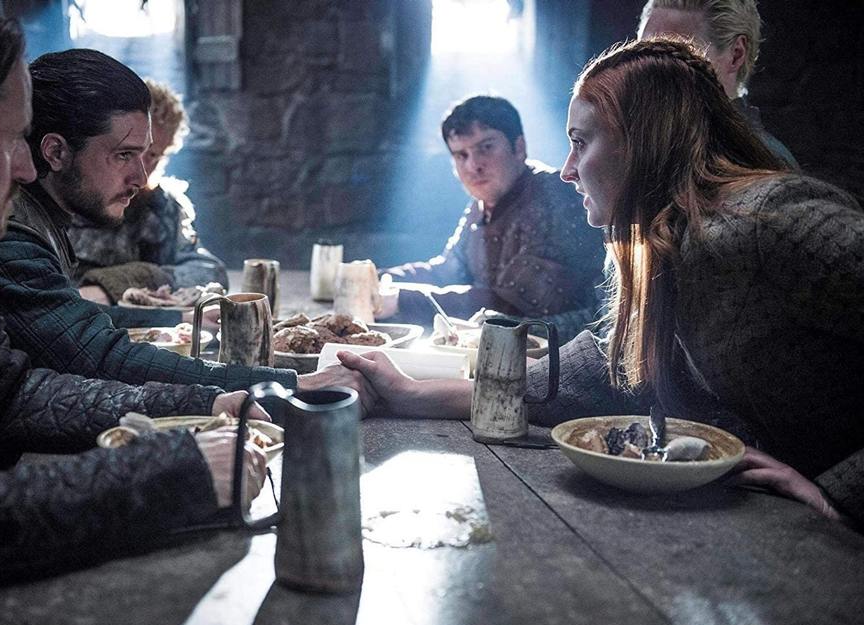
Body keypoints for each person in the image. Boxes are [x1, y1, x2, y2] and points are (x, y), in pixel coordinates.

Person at [339, 39, 864, 528]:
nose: (567, 170)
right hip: (768, 527)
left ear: (644, 142)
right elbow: (591, 373)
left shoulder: (769, 220)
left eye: (580, 142)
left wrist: (837, 495)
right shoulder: (659, 247)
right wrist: (407, 392)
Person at [0, 0, 267, 603]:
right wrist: (174, 473)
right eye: (11, 140)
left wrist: (205, 400)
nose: (25, 170)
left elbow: (15, 394)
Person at [0, 48, 367, 404]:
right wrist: (290, 386)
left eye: (149, 156)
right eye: (124, 155)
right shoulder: (7, 229)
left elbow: (75, 319)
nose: (141, 177)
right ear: (55, 151)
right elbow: (98, 355)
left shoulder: (47, 213)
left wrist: (177, 319)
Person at [379, 95, 606, 329]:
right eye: (461, 155)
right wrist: (377, 278)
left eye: (486, 147)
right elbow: (448, 271)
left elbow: (511, 304)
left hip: (560, 342)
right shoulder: (481, 206)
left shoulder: (557, 196)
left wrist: (400, 301)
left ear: (519, 147)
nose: (473, 165)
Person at [71, 78, 230, 311]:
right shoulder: (70, 193)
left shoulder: (162, 206)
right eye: (128, 153)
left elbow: (210, 272)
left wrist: (132, 279)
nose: (141, 170)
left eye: (153, 155)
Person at [638, 0, 799, 168]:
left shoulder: (763, 162)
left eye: (677, 56)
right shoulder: (646, 145)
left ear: (736, 55)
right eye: (642, 54)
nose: (650, 71)